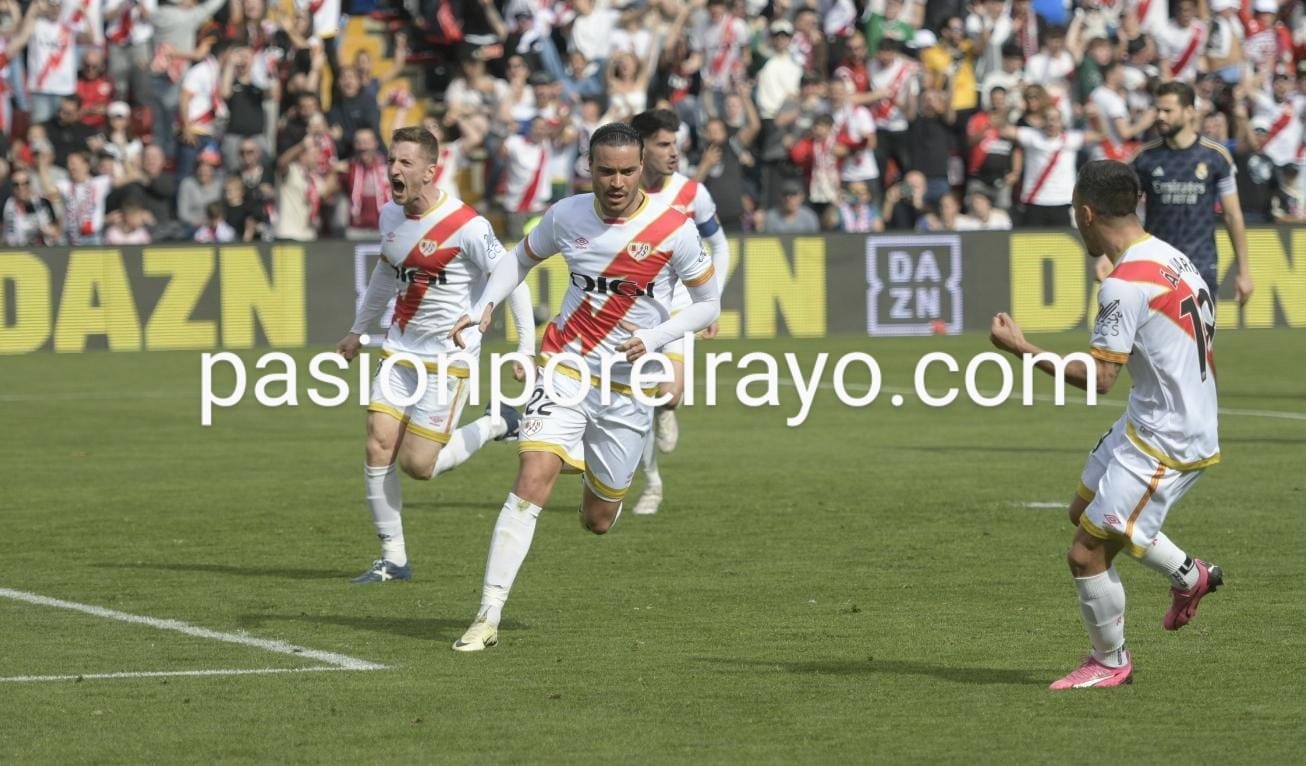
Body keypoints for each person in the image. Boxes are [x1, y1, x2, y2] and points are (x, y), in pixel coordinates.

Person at [449, 123, 721, 651]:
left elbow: (709, 303)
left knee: (598, 521)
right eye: (605, 171)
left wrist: (658, 337)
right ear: (588, 169)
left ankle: (588, 470)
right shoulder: (566, 215)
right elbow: (520, 259)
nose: (616, 182)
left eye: (626, 171)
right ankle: (487, 614)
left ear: (642, 169)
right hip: (566, 366)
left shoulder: (674, 229)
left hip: (628, 388)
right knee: (532, 475)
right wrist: (483, 308)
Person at [990, 159, 1224, 689]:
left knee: (1086, 552)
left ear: (1087, 212)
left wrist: (1023, 350)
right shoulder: (1171, 256)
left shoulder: (1122, 284)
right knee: (1083, 509)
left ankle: (1110, 661)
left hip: (1167, 438)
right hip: (1154, 416)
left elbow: (1099, 379)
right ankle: (1192, 575)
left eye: (1076, 213)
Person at [334, 126, 536, 585]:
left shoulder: (466, 225)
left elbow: (512, 276)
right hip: (400, 351)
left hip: (449, 359)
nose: (395, 170)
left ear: (431, 170)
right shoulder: (390, 217)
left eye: (406, 162)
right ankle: (393, 557)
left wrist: (526, 348)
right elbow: (386, 276)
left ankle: (497, 422)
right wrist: (357, 330)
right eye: (391, 161)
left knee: (418, 466)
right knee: (377, 442)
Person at [628, 108, 732, 516]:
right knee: (637, 402)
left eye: (676, 144)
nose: (674, 153)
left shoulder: (692, 193)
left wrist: (712, 300)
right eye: (664, 144)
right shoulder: (621, 193)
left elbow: (720, 246)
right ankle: (652, 485)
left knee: (667, 396)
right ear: (642, 148)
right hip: (634, 310)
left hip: (679, 308)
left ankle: (666, 409)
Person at [1123, 81, 1253, 304]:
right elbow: (1123, 211)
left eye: (1168, 110)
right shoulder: (1144, 158)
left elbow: (1233, 215)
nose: (1160, 116)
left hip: (1200, 265)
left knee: (1201, 339)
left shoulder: (1216, 156)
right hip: (1155, 265)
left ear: (1190, 112)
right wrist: (1111, 256)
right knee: (1151, 339)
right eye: (1158, 110)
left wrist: (1243, 270)